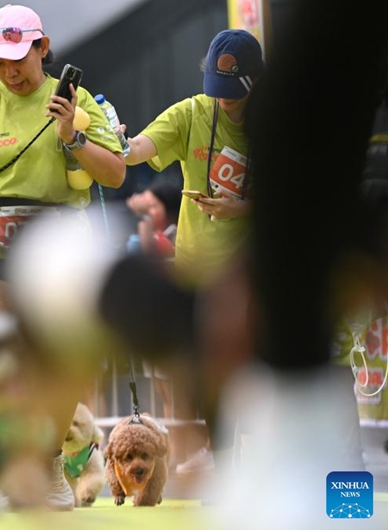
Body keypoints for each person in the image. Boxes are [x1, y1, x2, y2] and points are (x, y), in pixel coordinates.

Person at [0, 4, 125, 511]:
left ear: (43, 47)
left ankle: (50, 459)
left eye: (17, 59)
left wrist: (72, 136)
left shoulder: (73, 102)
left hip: (60, 246)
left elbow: (115, 175)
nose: (9, 72)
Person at [122, 28, 264, 477]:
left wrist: (240, 208)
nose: (223, 100)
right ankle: (224, 463)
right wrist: (119, 143)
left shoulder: (275, 120)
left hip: (251, 270)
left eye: (234, 92)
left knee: (252, 371)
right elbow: (139, 149)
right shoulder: (192, 112)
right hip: (196, 269)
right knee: (207, 372)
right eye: (217, 90)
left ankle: (260, 459)